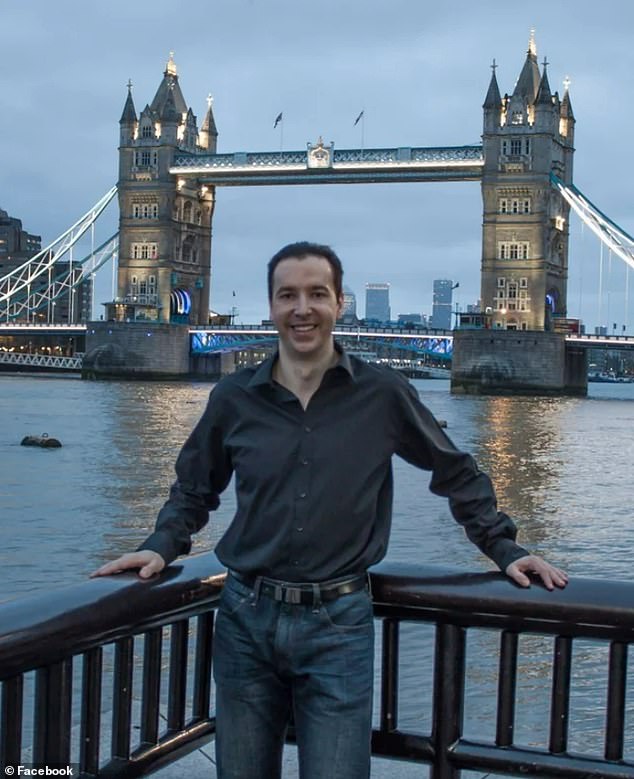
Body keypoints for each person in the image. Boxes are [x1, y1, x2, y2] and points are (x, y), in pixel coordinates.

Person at [92, 241, 568, 779]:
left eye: (317, 294)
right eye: (288, 295)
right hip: (244, 619)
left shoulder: (383, 394)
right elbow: (193, 491)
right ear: (270, 307)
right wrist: (159, 547)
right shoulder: (232, 398)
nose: (302, 309)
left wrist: (504, 549)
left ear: (340, 302)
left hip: (338, 625)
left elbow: (454, 471)